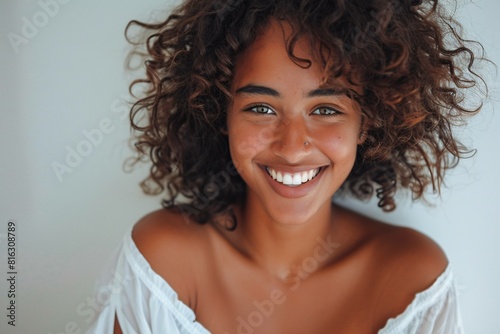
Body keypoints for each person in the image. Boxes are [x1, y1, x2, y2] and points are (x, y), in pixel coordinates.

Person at [86, 0, 487, 333]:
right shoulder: (165, 264)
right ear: (218, 115)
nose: (292, 148)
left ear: (368, 122)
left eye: (326, 109)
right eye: (261, 108)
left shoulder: (412, 282)